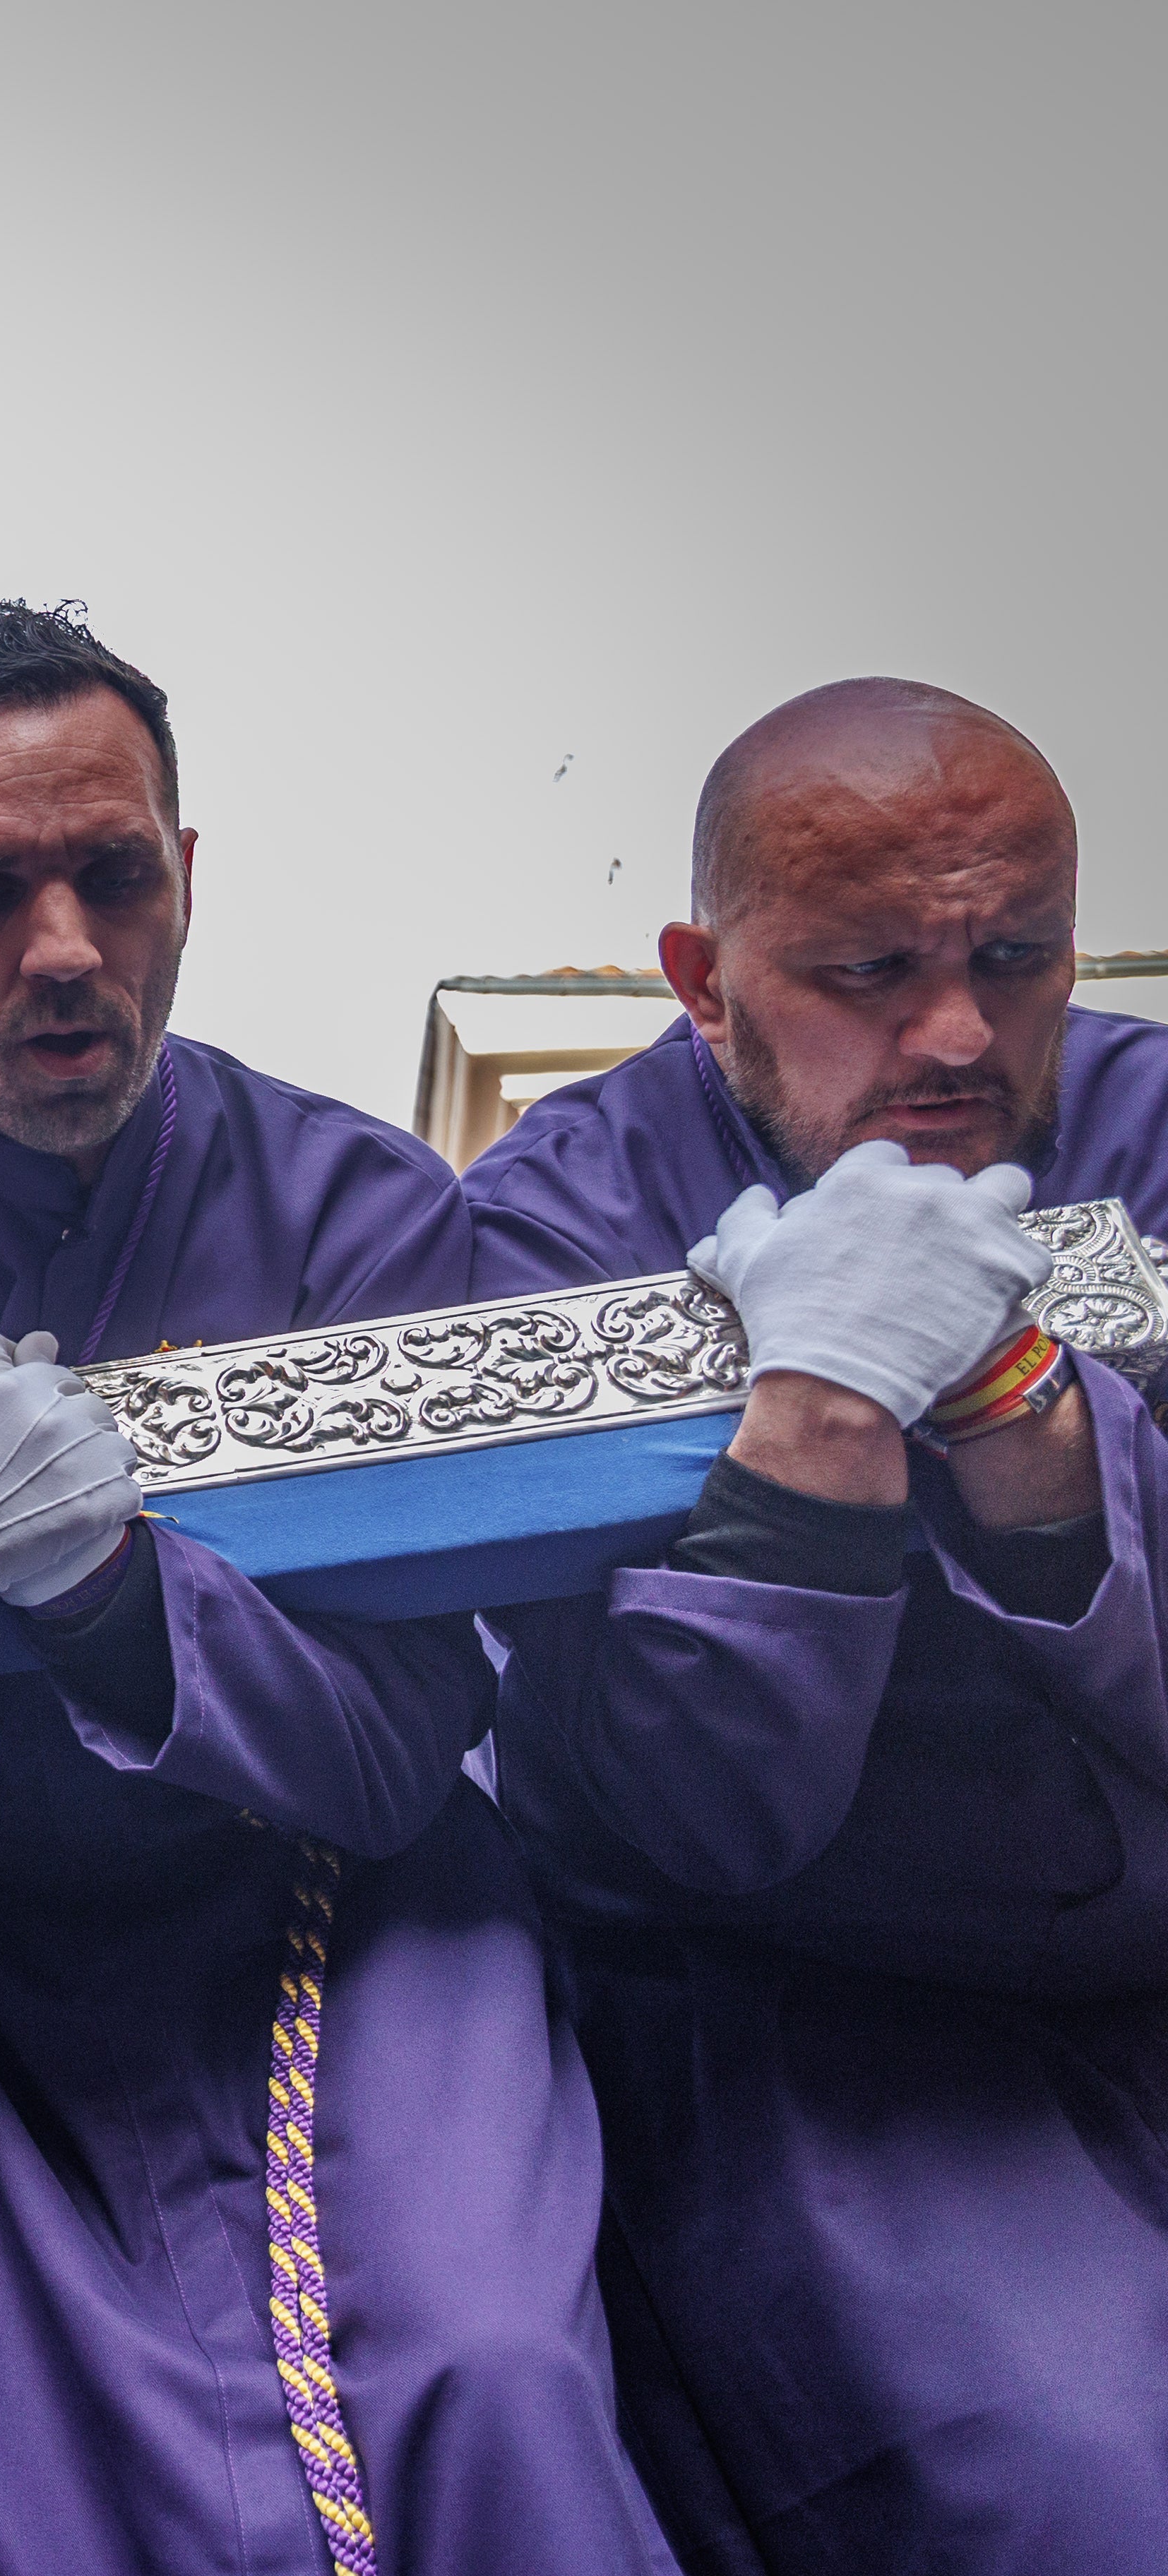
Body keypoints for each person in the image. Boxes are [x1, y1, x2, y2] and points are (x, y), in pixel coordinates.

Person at [0, 602, 677, 2576]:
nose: (65, 953)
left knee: (484, 2379)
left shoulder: (368, 1215)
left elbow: (405, 1742)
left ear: (187, 871)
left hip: (343, 1930)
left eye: (115, 876)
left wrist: (115, 1594)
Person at [468, 679, 1168, 2573]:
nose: (956, 1031)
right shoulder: (548, 1228)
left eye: (1015, 957)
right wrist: (825, 1425)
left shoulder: (1157, 1122)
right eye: (867, 971)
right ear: (700, 978)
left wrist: (1027, 1413)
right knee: (1072, 2499)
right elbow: (689, 1814)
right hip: (825, 2023)